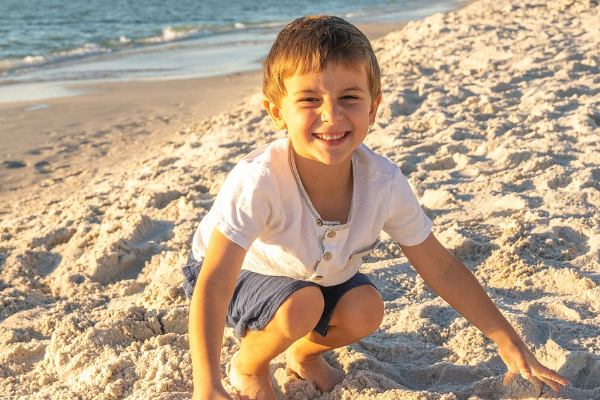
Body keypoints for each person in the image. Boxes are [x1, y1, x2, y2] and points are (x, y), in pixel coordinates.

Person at [183, 15, 569, 400]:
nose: (331, 116)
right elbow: (214, 283)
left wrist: (507, 341)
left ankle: (302, 356)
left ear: (373, 107)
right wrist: (207, 385)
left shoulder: (383, 182)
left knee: (366, 307)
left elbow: (443, 268)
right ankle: (248, 367)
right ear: (277, 111)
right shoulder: (260, 181)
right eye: (309, 100)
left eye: (349, 98)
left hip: (312, 277)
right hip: (235, 274)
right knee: (304, 303)